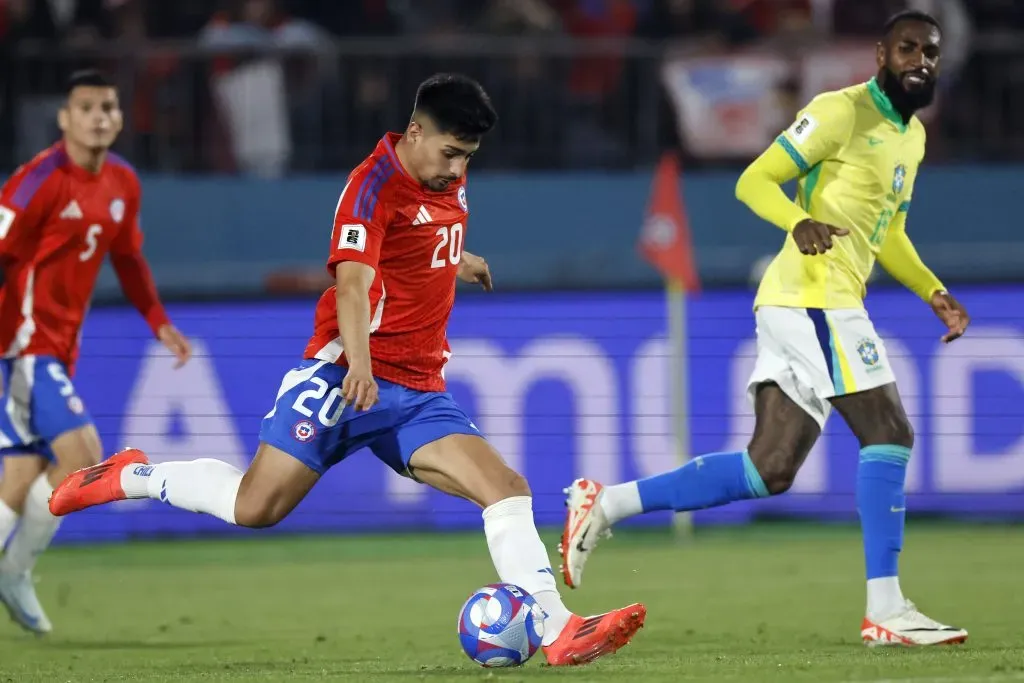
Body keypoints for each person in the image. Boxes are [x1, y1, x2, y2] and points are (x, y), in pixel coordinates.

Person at [49, 73, 645, 666]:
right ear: (415, 133)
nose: (458, 170)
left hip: (416, 391)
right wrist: (358, 364)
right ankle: (132, 475)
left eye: (468, 158)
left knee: (506, 488)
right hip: (344, 377)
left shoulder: (442, 179)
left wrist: (454, 258)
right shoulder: (370, 188)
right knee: (254, 508)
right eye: (450, 154)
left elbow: (415, 237)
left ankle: (560, 631)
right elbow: (353, 284)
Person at [558, 11, 970, 647]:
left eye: (931, 52)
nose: (920, 60)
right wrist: (796, 222)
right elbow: (755, 181)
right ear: (881, 53)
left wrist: (933, 291)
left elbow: (888, 234)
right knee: (889, 430)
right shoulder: (839, 110)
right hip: (813, 297)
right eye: (908, 48)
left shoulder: (908, 136)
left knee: (769, 468)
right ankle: (886, 609)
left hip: (808, 302)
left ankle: (604, 504)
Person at [0, 69, 192, 633]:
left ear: (120, 117)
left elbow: (128, 259)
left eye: (108, 106)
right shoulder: (37, 181)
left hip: (59, 348)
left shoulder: (123, 182)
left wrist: (158, 322)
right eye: (86, 107)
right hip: (23, 343)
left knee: (27, 472)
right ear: (65, 118)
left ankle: (12, 573)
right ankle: (13, 571)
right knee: (82, 453)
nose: (99, 116)